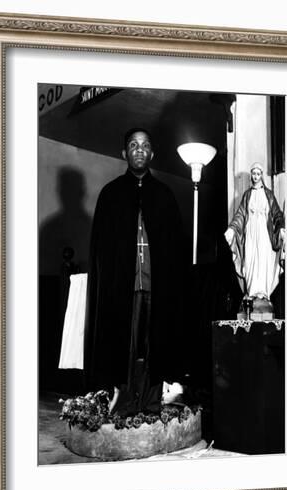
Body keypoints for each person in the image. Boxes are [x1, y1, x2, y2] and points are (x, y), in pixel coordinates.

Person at [84, 128, 184, 415]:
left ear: (152, 154)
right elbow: (102, 250)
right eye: (133, 145)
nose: (139, 150)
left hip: (156, 286)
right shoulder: (111, 195)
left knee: (154, 345)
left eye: (144, 145)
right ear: (124, 153)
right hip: (122, 289)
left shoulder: (164, 196)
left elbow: (174, 250)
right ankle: (124, 403)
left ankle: (152, 402)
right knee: (125, 347)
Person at [224, 162, 286, 306]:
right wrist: (232, 229)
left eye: (258, 174)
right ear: (251, 175)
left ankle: (263, 294)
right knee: (251, 259)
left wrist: (281, 228)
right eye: (253, 173)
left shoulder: (269, 194)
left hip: (264, 233)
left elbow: (277, 214)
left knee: (263, 260)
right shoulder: (247, 195)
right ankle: (251, 293)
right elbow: (240, 215)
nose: (256, 176)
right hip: (250, 233)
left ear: (261, 175)